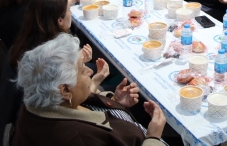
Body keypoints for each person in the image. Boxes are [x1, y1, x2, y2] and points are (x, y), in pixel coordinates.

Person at [12, 33, 167, 146]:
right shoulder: (79, 138)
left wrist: (114, 102)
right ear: (65, 90)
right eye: (82, 69)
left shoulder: (41, 105)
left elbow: (86, 107)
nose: (90, 71)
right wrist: (154, 137)